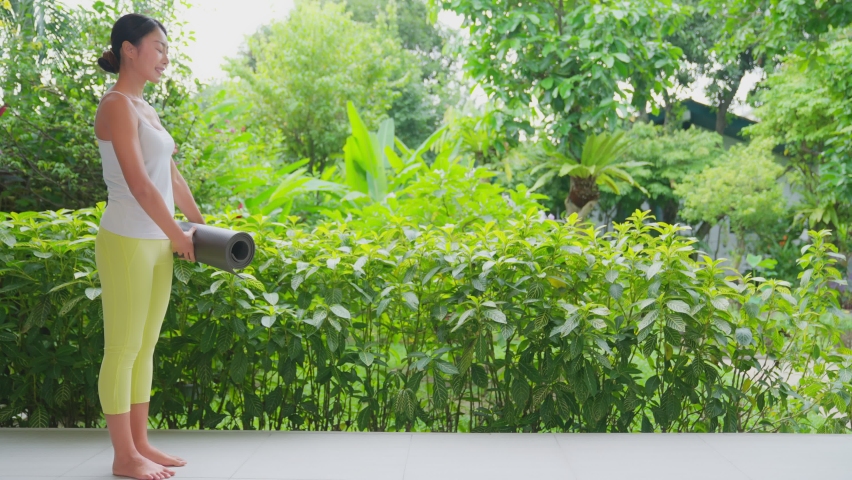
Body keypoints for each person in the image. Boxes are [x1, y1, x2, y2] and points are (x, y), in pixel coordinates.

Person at [94, 13, 202, 480]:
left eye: (166, 48)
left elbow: (171, 178)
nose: (165, 56)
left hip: (157, 241)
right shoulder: (116, 104)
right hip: (126, 240)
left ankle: (140, 443)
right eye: (157, 46)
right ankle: (123, 457)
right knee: (122, 347)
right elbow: (138, 183)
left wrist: (200, 227)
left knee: (146, 346)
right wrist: (177, 233)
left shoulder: (146, 109)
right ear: (129, 49)